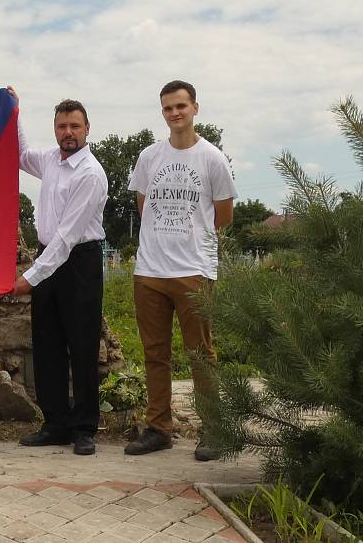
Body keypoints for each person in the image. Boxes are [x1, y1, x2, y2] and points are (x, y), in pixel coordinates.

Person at [125, 80, 237, 461]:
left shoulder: (212, 159)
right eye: (168, 108)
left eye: (181, 106)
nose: (175, 113)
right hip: (150, 270)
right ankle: (159, 427)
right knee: (155, 353)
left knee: (201, 354)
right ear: (162, 113)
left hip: (194, 270)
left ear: (195, 108)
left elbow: (223, 217)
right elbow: (144, 206)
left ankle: (215, 431)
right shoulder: (149, 158)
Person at [8, 86, 108, 456]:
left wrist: (29, 277)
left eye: (75, 126)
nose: (68, 132)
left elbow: (67, 238)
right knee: (47, 344)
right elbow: (19, 156)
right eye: (62, 126)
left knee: (82, 346)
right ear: (55, 129)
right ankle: (55, 424)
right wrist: (14, 112)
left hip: (78, 261)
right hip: (48, 255)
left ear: (87, 129)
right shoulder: (51, 159)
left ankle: (83, 428)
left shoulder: (91, 174)